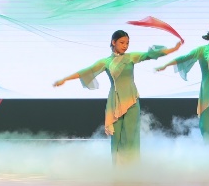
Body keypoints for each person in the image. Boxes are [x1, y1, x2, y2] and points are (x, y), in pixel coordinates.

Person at [54, 28, 180, 161]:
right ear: (113, 42)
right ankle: (117, 167)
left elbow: (150, 55)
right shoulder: (106, 62)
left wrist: (174, 49)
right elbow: (86, 71)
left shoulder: (131, 57)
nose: (125, 46)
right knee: (117, 136)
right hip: (115, 102)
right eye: (122, 43)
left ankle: (131, 166)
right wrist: (65, 79)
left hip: (131, 100)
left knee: (131, 135)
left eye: (127, 43)